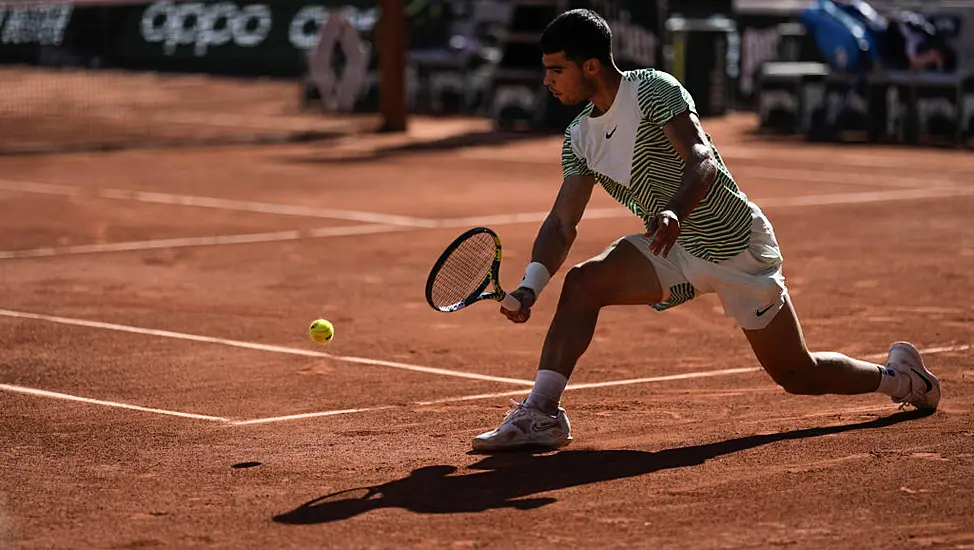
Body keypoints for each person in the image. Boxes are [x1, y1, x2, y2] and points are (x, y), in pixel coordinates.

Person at [471, 9, 941, 452]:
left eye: (556, 70)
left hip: (733, 244)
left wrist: (675, 210)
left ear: (590, 66)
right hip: (669, 249)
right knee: (582, 283)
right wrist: (531, 286)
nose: (547, 81)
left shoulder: (653, 89)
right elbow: (561, 223)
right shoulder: (579, 136)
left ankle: (900, 379)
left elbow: (701, 159)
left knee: (799, 374)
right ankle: (543, 412)